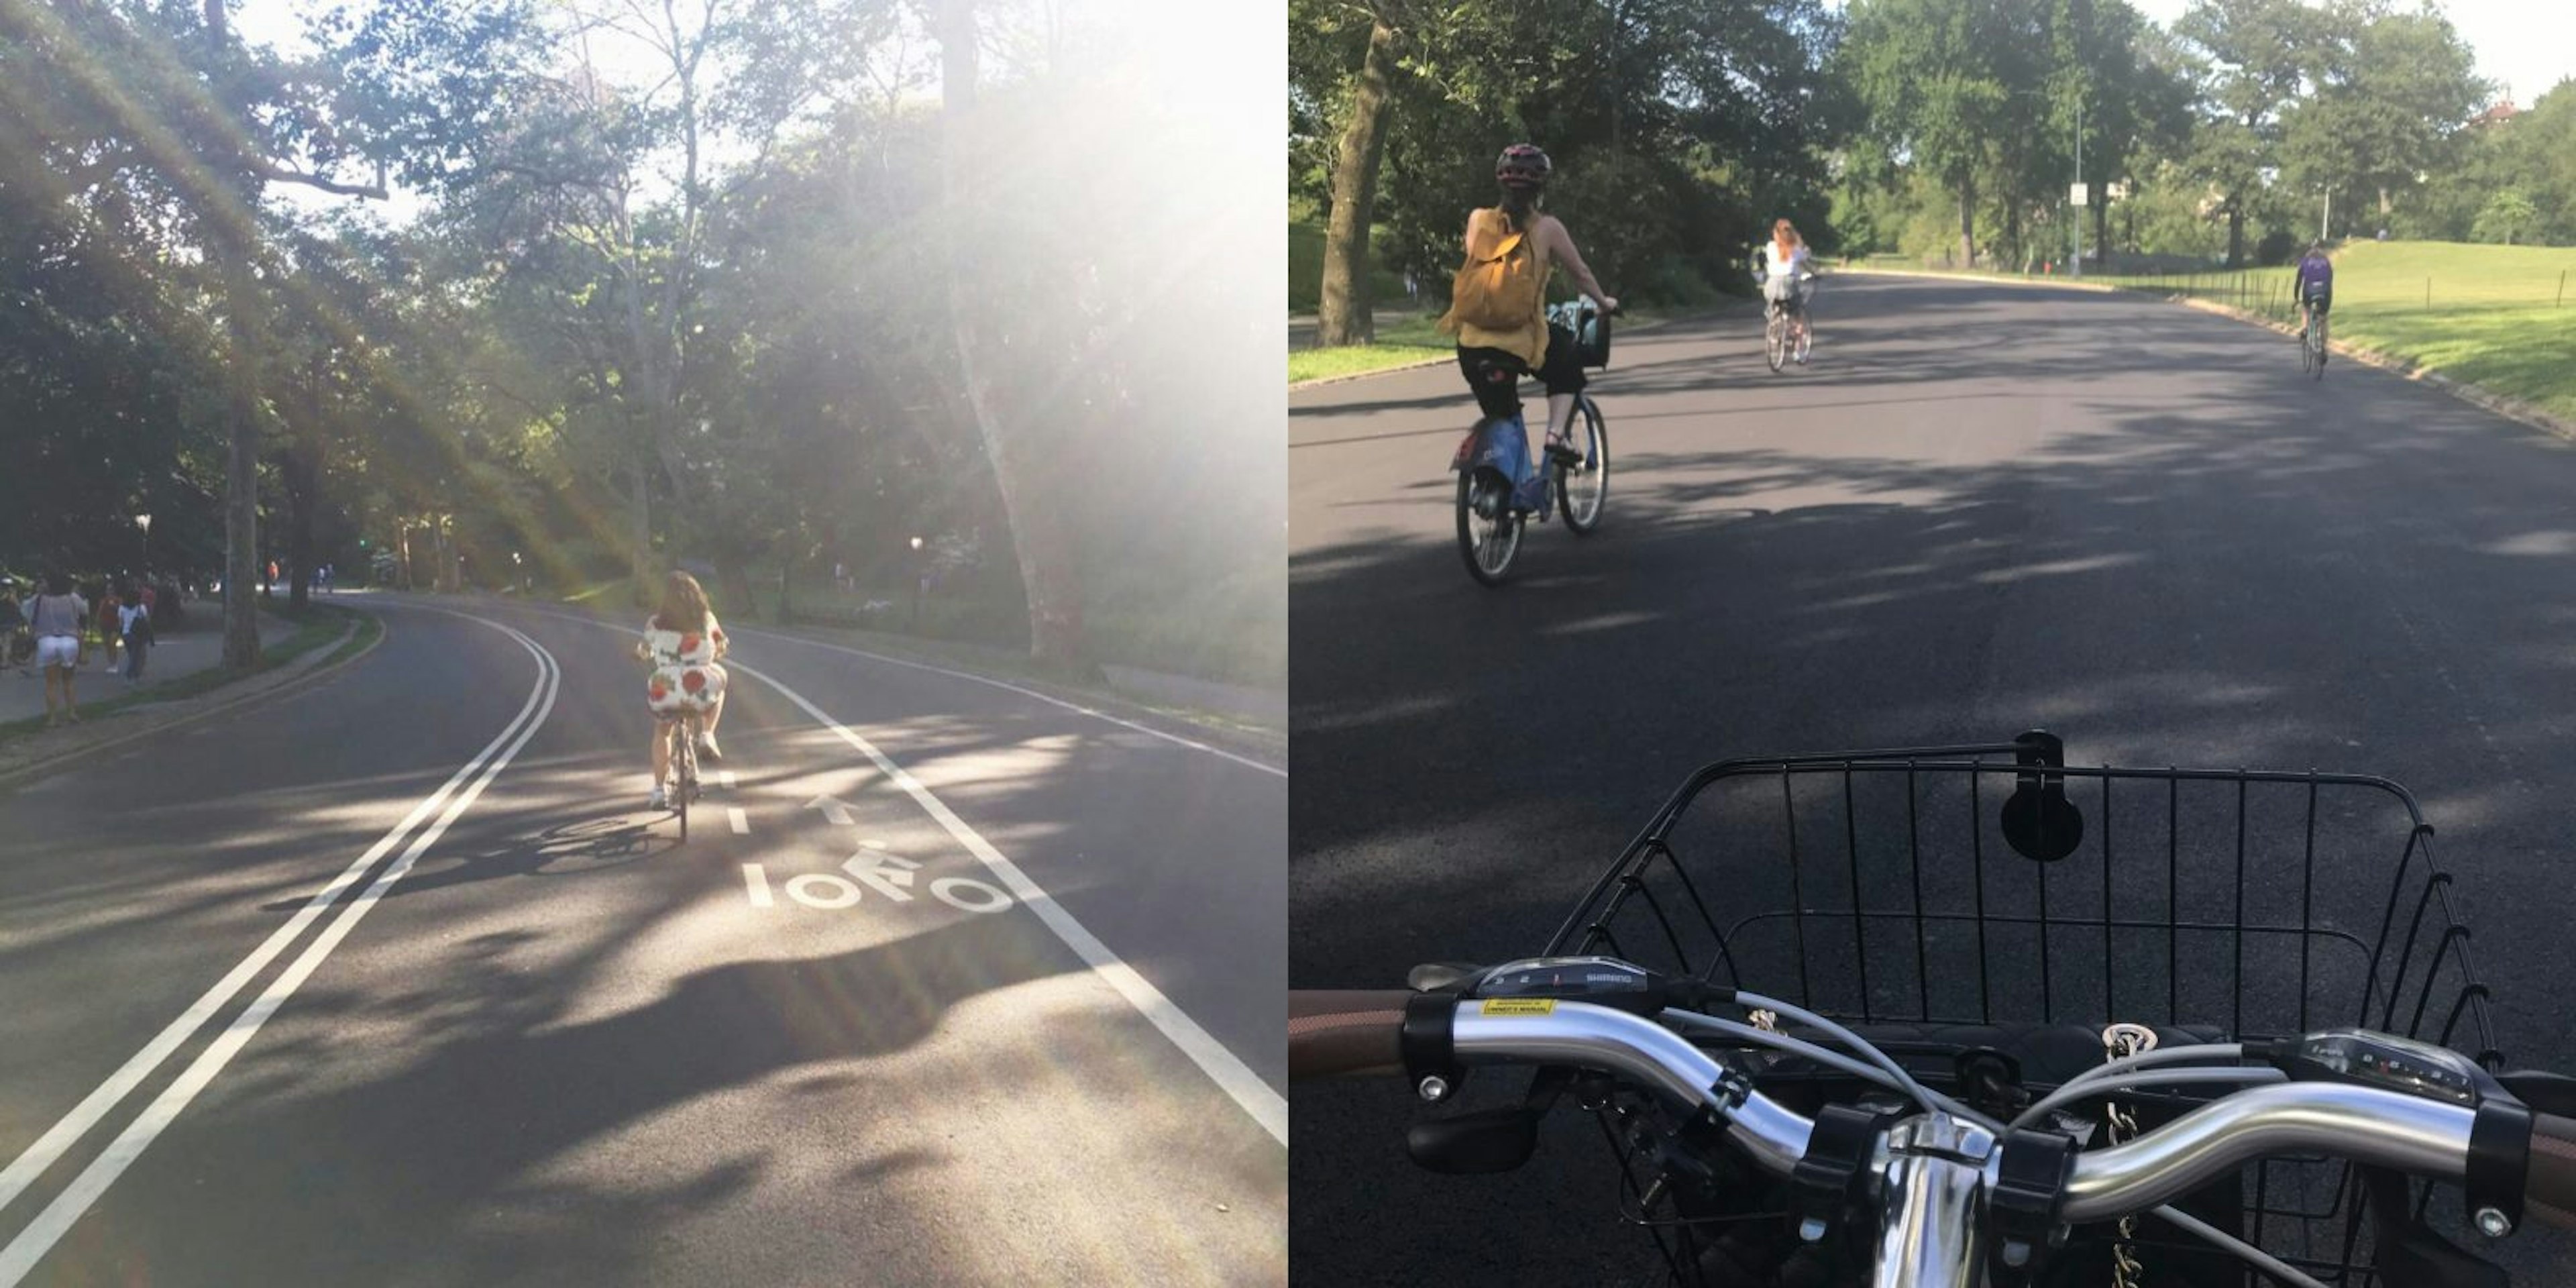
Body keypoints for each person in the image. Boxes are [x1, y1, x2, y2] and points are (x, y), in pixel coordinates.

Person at [1439, 143, 1619, 513]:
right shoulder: (1548, 228)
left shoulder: (1477, 220)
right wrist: (1605, 304)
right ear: (1541, 188)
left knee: (1500, 412)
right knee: (1567, 361)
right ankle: (1556, 435)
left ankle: (1502, 479)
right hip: (1522, 339)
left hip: (1471, 343)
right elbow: (1581, 274)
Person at [633, 570, 730, 808]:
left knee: (662, 732)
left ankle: (658, 790)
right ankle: (707, 734)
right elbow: (721, 646)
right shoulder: (707, 619)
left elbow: (645, 651)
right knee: (722, 679)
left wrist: (641, 654)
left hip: (666, 688)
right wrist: (711, 653)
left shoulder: (656, 623)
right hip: (701, 686)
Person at [23, 572, 89, 727]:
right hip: (70, 640)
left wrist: (39, 593)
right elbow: (84, 611)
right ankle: (72, 713)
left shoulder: (40, 599)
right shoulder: (73, 598)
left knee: (51, 683)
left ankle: (52, 718)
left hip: (47, 641)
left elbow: (25, 610)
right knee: (69, 680)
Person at [1759, 219, 1819, 364]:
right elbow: (1806, 264)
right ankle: (1798, 350)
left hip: (1771, 285)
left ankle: (1774, 330)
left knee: (1774, 307)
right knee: (1798, 316)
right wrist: (1814, 273)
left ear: (1775, 234)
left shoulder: (1770, 246)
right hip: (1789, 285)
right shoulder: (1796, 249)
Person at [2294, 241, 2334, 366]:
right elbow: (2330, 278)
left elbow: (2299, 281)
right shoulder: (2326, 262)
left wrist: (2296, 297)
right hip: (2325, 290)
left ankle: (2305, 328)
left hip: (2310, 289)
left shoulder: (2305, 261)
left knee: (2306, 308)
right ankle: (2324, 348)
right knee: (2324, 318)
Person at [119, 582, 152, 681]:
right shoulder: (141, 608)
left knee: (132, 655)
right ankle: (131, 675)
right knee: (136, 656)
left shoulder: (122, 608)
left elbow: (121, 623)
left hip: (126, 634)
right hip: (137, 635)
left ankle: (135, 675)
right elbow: (147, 621)